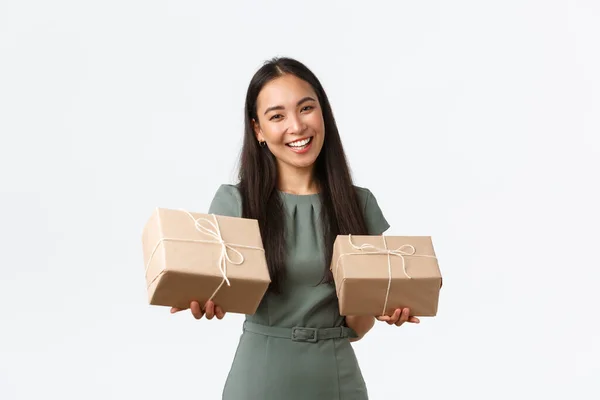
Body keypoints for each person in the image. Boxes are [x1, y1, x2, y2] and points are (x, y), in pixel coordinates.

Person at [171, 57, 420, 399]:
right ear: (258, 129)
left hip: (336, 378)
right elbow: (217, 290)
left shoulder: (358, 205)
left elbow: (358, 328)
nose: (297, 126)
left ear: (323, 113)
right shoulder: (237, 204)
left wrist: (383, 305)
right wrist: (205, 298)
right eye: (277, 116)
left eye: (306, 108)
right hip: (261, 377)